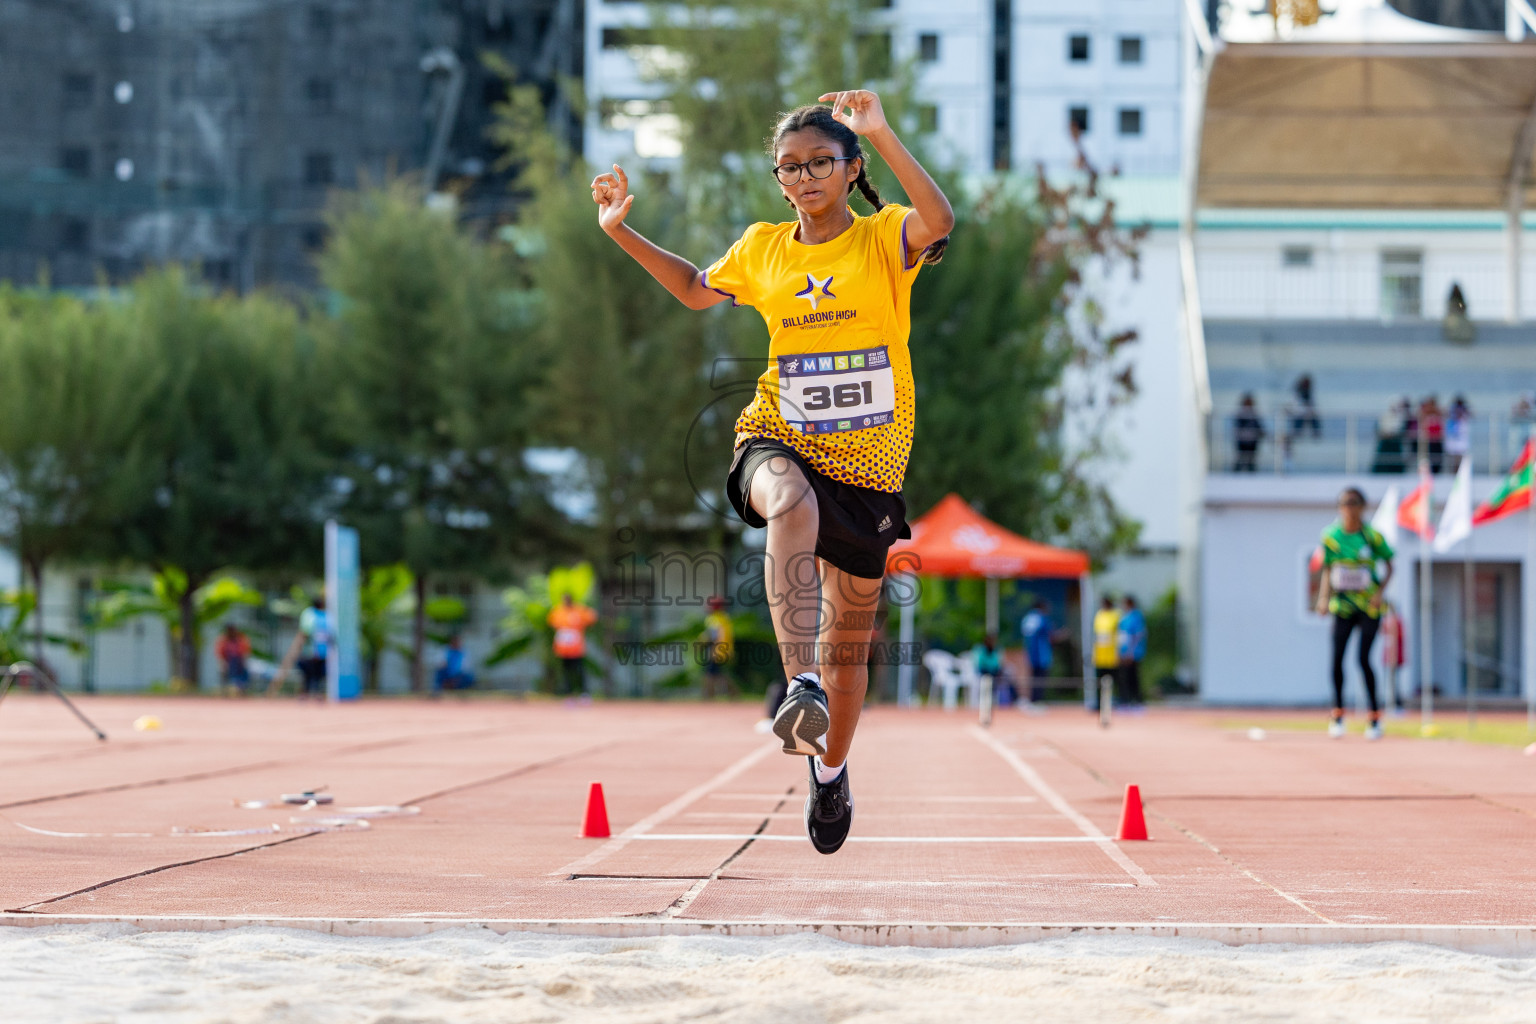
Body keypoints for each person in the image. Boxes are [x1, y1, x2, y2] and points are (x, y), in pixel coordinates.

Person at [592, 88, 953, 854]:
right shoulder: (762, 248)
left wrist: (882, 130)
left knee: (850, 652)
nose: (803, 177)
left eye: (820, 162)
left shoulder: (885, 238)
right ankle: (799, 687)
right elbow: (695, 289)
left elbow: (941, 220)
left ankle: (831, 771)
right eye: (788, 167)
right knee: (788, 503)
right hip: (777, 434)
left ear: (851, 169)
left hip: (870, 467)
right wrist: (621, 232)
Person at [1315, 487, 1395, 741]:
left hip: (1368, 607)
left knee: (1363, 660)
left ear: (1362, 507)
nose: (1348, 508)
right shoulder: (1330, 536)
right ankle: (1337, 715)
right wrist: (1323, 598)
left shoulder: (1372, 537)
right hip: (1342, 606)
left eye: (1353, 503)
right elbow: (1328, 569)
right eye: (1344, 504)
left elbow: (1390, 565)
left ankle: (1374, 718)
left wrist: (1379, 592)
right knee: (1337, 660)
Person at [547, 593, 597, 695]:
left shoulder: (579, 610)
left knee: (579, 670)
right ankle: (568, 693)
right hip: (564, 649)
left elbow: (592, 617)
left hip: (576, 649)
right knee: (566, 672)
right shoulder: (558, 611)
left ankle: (584, 692)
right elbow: (551, 623)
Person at [1020, 599, 1058, 705]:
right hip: (1041, 654)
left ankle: (1033, 699)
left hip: (1030, 653)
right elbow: (1051, 634)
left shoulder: (1027, 618)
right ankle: (1037, 700)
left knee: (1033, 677)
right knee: (1041, 678)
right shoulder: (1042, 618)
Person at [700, 595, 734, 699]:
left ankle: (709, 696)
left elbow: (713, 635)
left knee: (710, 675)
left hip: (717, 650)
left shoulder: (713, 619)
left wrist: (701, 641)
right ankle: (733, 693)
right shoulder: (725, 618)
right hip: (726, 650)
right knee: (718, 674)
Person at [1115, 595, 1147, 707]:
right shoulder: (1124, 616)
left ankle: (1136, 699)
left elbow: (1138, 635)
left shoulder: (1136, 616)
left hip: (1132, 652)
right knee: (1124, 676)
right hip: (1123, 651)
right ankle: (1125, 698)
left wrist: (1130, 652)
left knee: (1132, 676)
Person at [297, 595, 329, 698]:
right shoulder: (322, 616)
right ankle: (311, 693)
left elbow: (304, 632)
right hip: (316, 650)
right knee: (314, 673)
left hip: (315, 650)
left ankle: (309, 693)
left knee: (312, 674)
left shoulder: (310, 614)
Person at [1091, 596, 1120, 709]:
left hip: (1112, 655)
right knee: (1100, 681)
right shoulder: (1099, 615)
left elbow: (1119, 634)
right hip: (1100, 655)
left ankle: (1114, 701)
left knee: (1114, 680)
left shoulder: (1115, 615)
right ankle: (1099, 703)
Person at [970, 633, 1013, 707]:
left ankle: (1003, 702)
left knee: (1004, 680)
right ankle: (979, 703)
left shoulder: (997, 650)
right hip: (982, 672)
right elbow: (979, 664)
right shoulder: (980, 650)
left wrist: (998, 671)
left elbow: (999, 663)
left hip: (994, 673)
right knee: (984, 681)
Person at [1232, 393, 1265, 472]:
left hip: (1252, 439)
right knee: (1241, 457)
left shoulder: (1255, 413)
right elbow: (1239, 425)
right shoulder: (1240, 413)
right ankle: (1236, 473)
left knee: (1251, 458)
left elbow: (1258, 426)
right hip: (1242, 439)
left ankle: (1251, 473)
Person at [216, 623, 251, 696]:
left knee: (243, 671)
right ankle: (226, 691)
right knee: (225, 670)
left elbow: (245, 653)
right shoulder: (223, 640)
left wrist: (244, 663)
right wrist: (223, 665)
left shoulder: (240, 639)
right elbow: (220, 654)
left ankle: (241, 690)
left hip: (239, 661)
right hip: (228, 662)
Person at [1445, 395, 1472, 473]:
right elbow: (1446, 413)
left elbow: (1471, 414)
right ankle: (1454, 471)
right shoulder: (1452, 411)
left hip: (1461, 437)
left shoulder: (1464, 412)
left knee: (1461, 456)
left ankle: (1460, 471)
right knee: (1453, 457)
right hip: (1453, 436)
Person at [1291, 373, 1320, 438]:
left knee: (1313, 418)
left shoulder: (1306, 392)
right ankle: (1298, 433)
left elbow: (1309, 404)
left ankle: (1316, 433)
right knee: (1303, 417)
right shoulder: (1300, 391)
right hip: (1300, 412)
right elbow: (1302, 403)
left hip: (1304, 412)